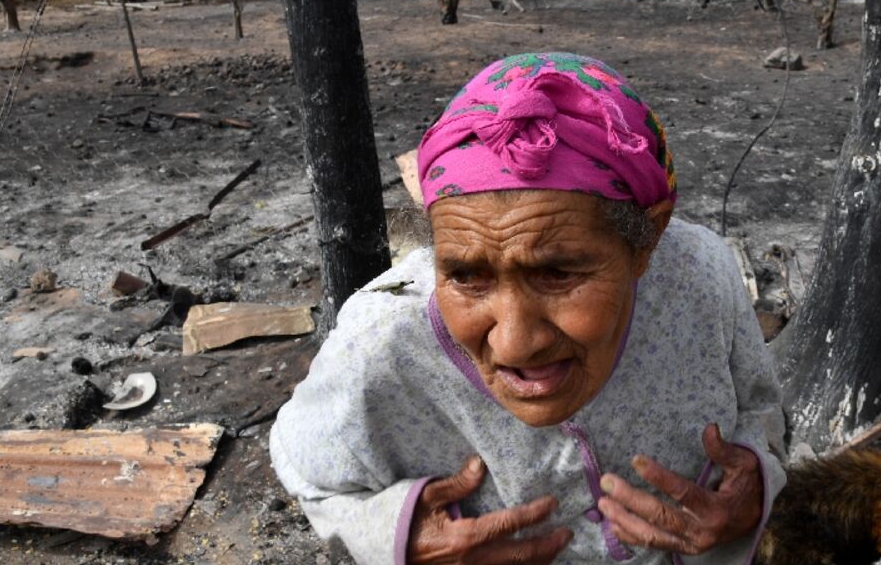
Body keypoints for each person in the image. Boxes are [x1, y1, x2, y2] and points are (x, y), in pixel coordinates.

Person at [270, 52, 787, 564]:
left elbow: (758, 409)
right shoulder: (381, 342)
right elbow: (307, 469)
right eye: (467, 276)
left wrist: (756, 485)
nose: (514, 343)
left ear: (645, 243)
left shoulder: (702, 276)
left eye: (558, 273)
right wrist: (395, 535)